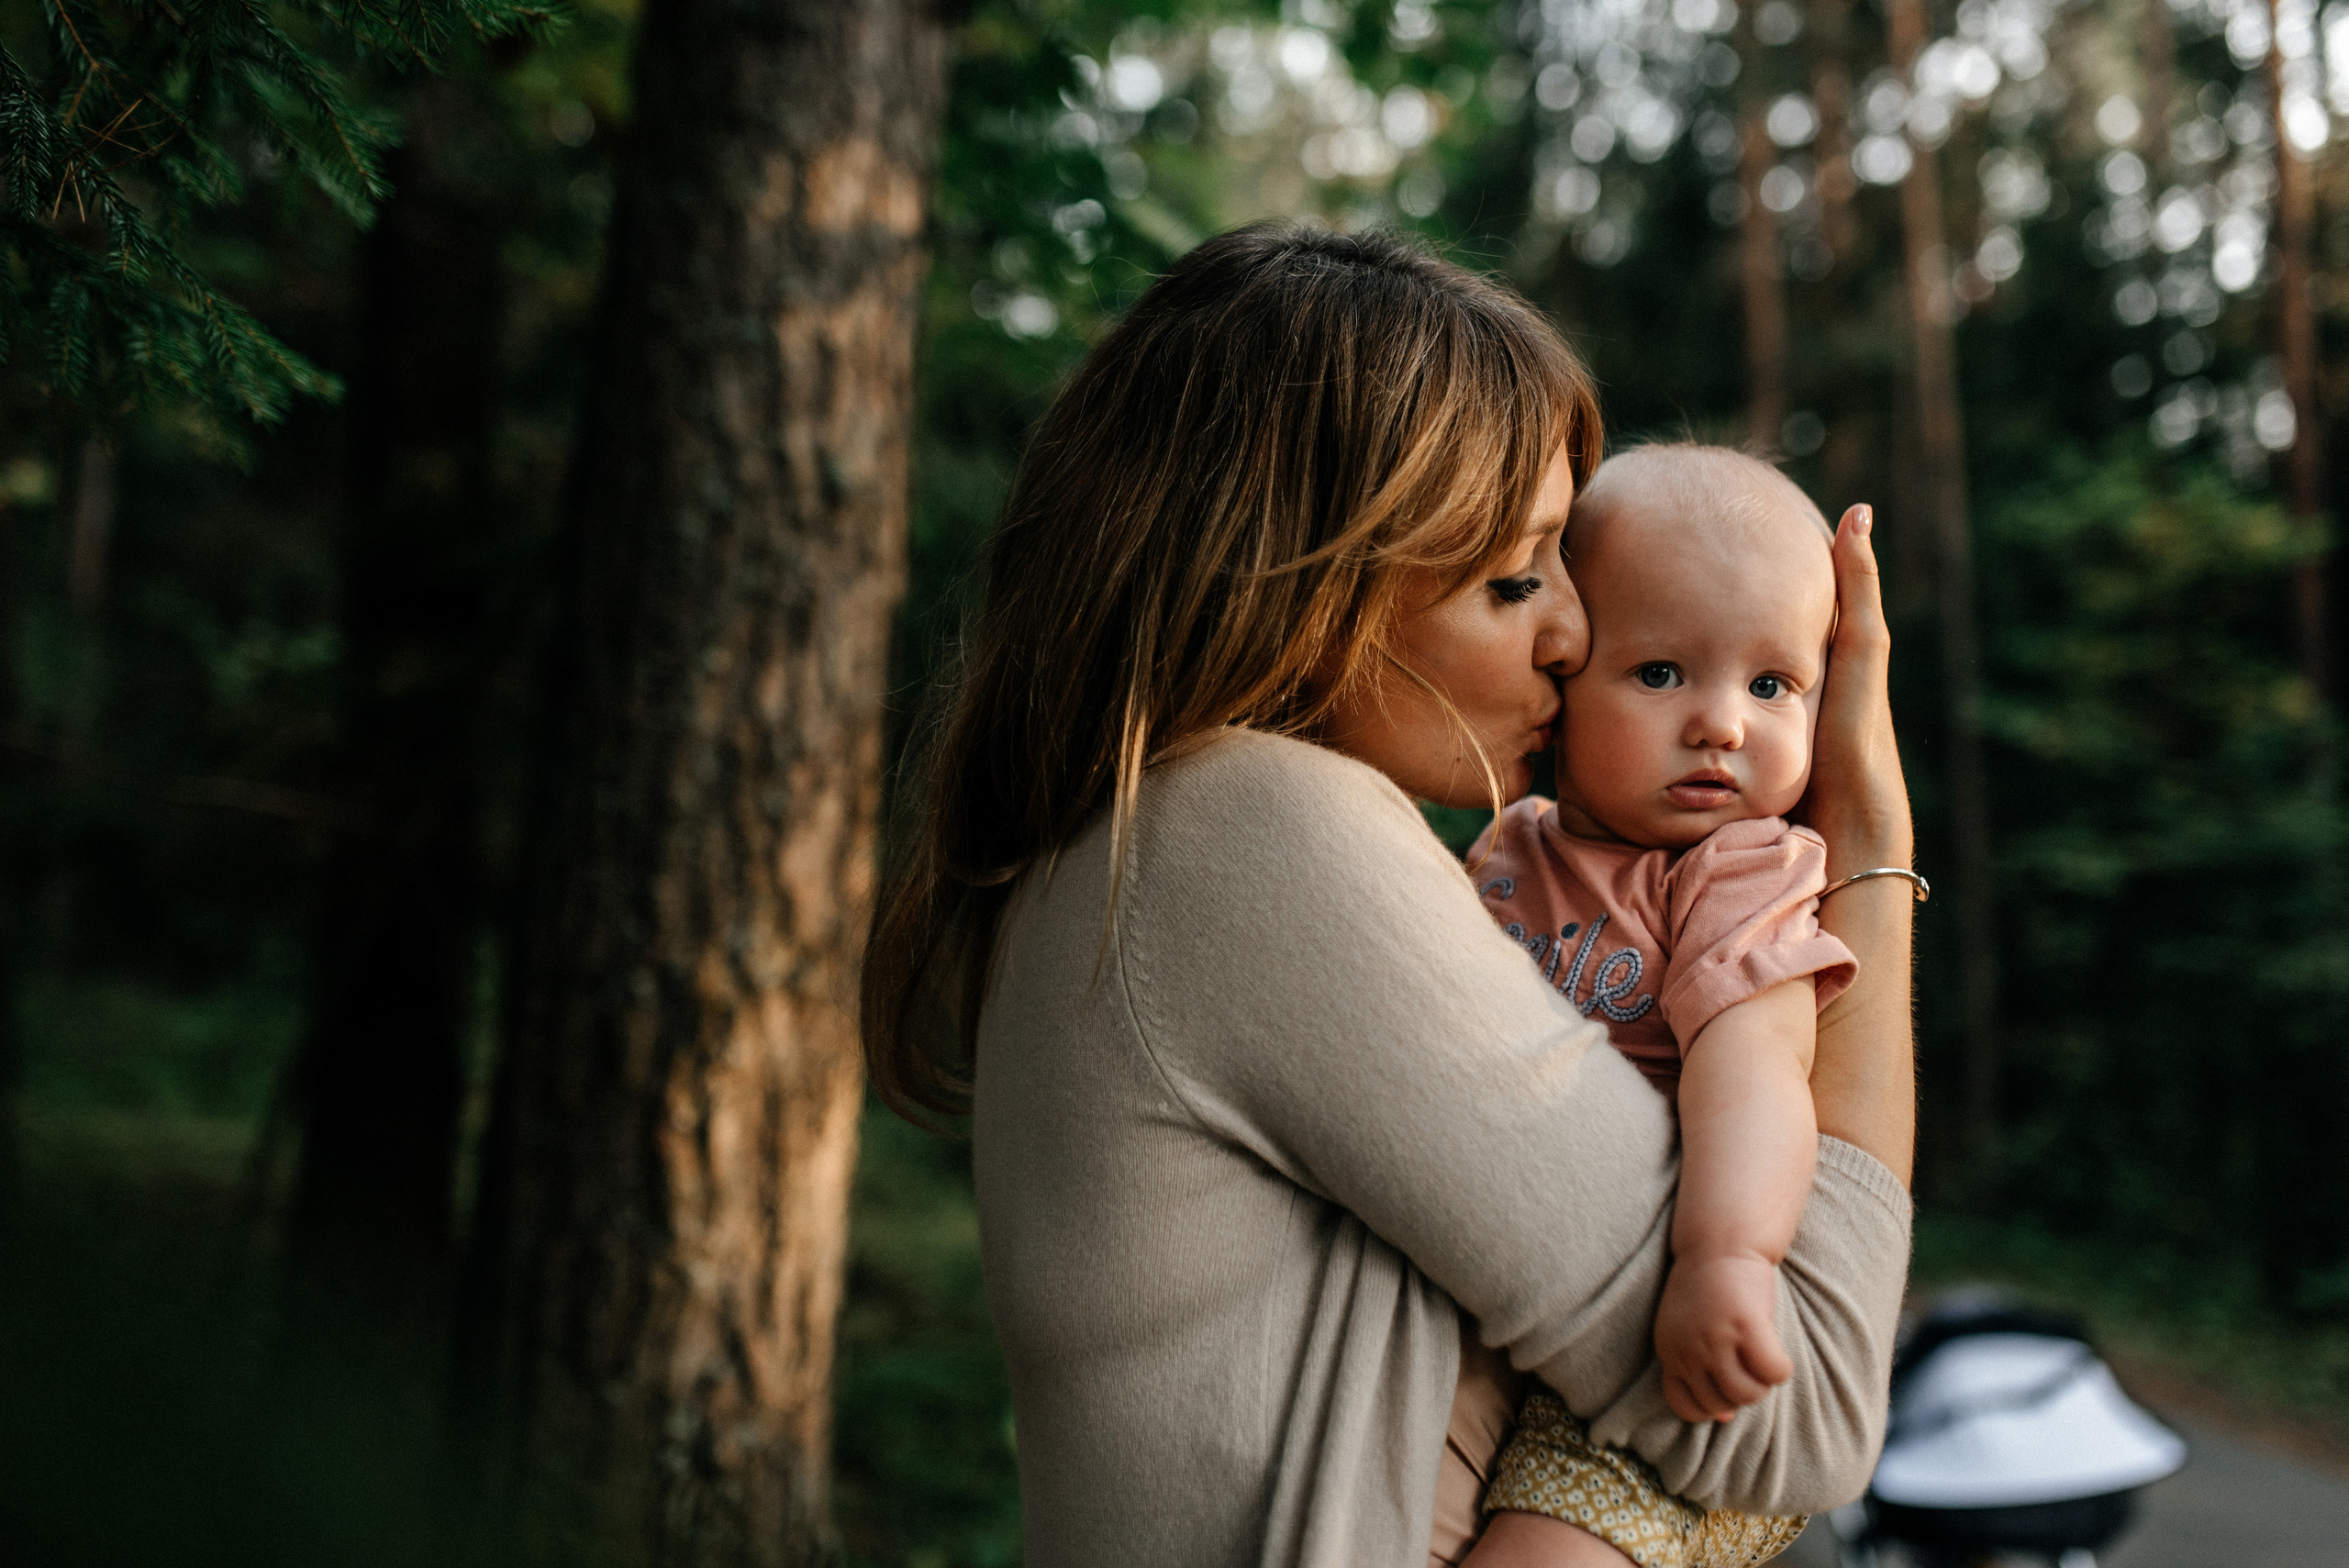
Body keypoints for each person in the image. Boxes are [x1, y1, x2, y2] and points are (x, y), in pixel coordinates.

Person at [860, 223, 1919, 1568]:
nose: (1575, 634)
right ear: (1309, 585)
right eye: (1514, 577)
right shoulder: (1251, 824)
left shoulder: (1133, 838)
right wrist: (1869, 850)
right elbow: (1808, 1405)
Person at [1444, 446, 1904, 1568]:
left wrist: (1727, 1260)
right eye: (1659, 674)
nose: (1721, 725)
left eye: (1770, 685)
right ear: (1559, 675)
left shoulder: (1740, 871)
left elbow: (1750, 1072)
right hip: (1515, 1306)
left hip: (1676, 1332)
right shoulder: (1510, 848)